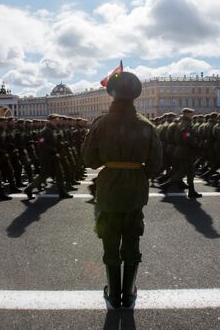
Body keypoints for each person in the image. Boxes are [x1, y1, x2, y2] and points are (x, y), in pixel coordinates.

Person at [82, 71, 162, 309]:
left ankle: (113, 293)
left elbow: (89, 160)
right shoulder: (146, 124)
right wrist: (138, 174)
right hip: (136, 188)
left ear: (111, 94)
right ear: (136, 95)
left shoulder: (100, 124)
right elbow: (156, 163)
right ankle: (128, 294)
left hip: (108, 188)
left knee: (109, 238)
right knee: (132, 239)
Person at [23, 114, 73, 200]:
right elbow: (41, 143)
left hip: (55, 156)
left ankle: (62, 192)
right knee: (44, 175)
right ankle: (29, 189)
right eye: (55, 119)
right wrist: (51, 149)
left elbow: (56, 140)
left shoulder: (55, 130)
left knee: (60, 174)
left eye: (57, 119)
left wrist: (60, 144)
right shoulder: (45, 131)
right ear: (50, 120)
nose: (57, 121)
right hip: (47, 157)